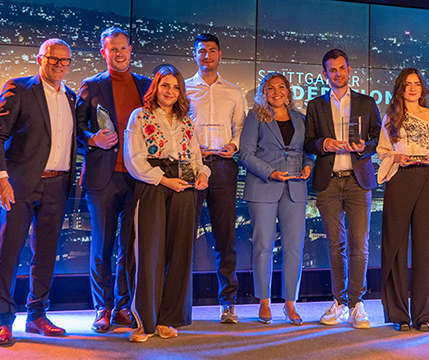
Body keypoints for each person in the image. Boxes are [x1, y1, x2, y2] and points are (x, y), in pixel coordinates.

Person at [0, 38, 76, 346]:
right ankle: (4, 321)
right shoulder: (19, 88)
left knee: (46, 255)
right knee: (9, 253)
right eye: (53, 59)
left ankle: (37, 315)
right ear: (40, 59)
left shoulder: (71, 98)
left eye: (65, 61)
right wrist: (1, 178)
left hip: (57, 185)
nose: (59, 65)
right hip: (19, 184)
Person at [124, 65, 210, 342]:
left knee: (180, 253)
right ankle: (143, 322)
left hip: (183, 186)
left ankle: (167, 319)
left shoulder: (186, 121)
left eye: (175, 87)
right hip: (152, 184)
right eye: (165, 86)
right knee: (148, 252)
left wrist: (202, 175)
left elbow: (196, 157)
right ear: (156, 87)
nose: (170, 92)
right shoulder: (139, 116)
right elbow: (134, 159)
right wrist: (163, 180)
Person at [75, 27, 151, 333]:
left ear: (131, 49)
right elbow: (77, 128)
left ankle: (122, 306)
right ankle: (102, 308)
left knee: (129, 247)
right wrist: (92, 138)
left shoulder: (146, 85)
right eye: (112, 49)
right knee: (101, 245)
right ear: (103, 52)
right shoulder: (91, 85)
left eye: (123, 48)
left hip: (137, 176)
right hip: (102, 177)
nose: (119, 54)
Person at [304, 48, 381, 329]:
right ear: (325, 75)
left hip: (358, 180)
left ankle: (356, 303)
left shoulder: (366, 102)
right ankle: (339, 302)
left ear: (349, 70)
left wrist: (365, 147)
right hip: (328, 181)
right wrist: (324, 144)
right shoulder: (315, 105)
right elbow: (308, 142)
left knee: (359, 246)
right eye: (332, 70)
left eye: (341, 68)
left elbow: (377, 137)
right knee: (336, 245)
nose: (337, 74)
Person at [239, 73, 314, 325]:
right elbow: (246, 155)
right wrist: (270, 172)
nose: (276, 92)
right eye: (271, 88)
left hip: (295, 188)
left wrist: (307, 167)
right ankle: (264, 302)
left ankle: (290, 304)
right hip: (263, 187)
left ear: (288, 91)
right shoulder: (255, 117)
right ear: (264, 92)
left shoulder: (300, 119)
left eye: (281, 87)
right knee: (263, 246)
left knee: (294, 248)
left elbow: (307, 153)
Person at [185, 33, 245, 324]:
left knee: (225, 237)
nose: (207, 56)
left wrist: (233, 145)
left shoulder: (233, 92)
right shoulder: (183, 89)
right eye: (201, 52)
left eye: (211, 51)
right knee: (184, 236)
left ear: (220, 54)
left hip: (223, 167)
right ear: (194, 55)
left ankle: (228, 303)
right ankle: (179, 304)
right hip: (191, 168)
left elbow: (241, 129)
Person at [377, 68, 429, 332]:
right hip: (399, 179)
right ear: (400, 88)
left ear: (423, 88)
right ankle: (399, 314)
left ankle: (424, 315)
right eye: (407, 84)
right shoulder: (391, 117)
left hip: (425, 178)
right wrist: (396, 157)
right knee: (395, 245)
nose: (413, 88)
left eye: (417, 84)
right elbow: (382, 151)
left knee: (426, 247)